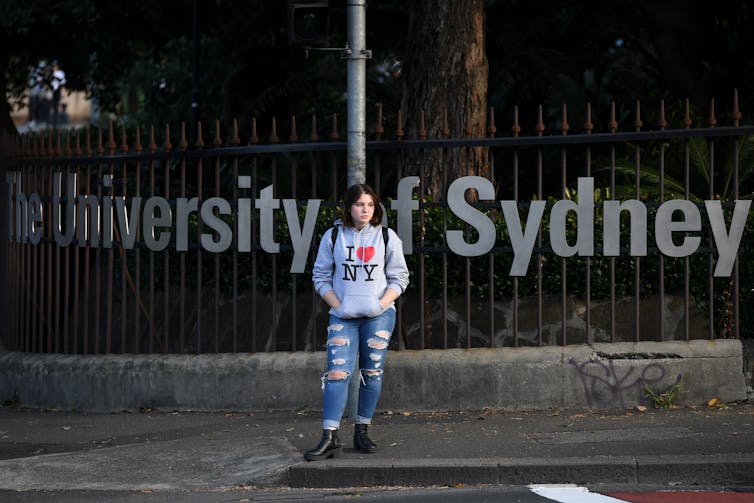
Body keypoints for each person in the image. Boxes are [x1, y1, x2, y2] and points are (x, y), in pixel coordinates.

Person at [305, 183, 410, 461]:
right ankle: (329, 435)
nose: (365, 210)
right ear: (348, 207)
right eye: (360, 204)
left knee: (372, 374)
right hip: (344, 318)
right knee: (337, 374)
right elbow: (320, 276)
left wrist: (379, 304)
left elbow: (400, 277)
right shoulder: (333, 236)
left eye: (370, 205)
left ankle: (362, 430)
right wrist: (339, 305)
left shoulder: (387, 237)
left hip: (379, 316)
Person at [50, 60, 66, 126]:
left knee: (58, 105)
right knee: (54, 105)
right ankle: (55, 121)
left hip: (58, 90)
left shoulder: (60, 73)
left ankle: (58, 121)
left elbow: (62, 81)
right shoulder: (52, 73)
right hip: (53, 91)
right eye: (53, 66)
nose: (54, 67)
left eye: (55, 66)